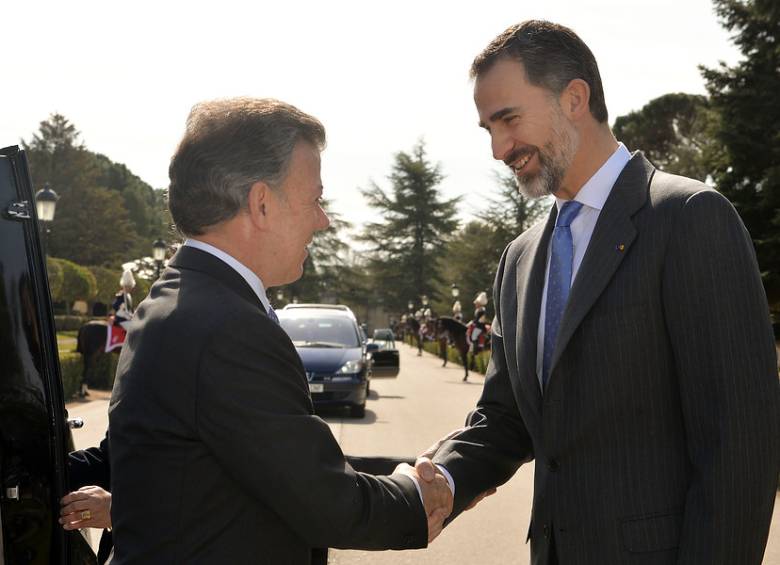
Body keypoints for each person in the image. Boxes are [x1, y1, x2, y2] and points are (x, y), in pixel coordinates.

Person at [415, 20, 779, 565]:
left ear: (575, 98)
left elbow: (739, 446)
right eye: (487, 129)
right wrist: (440, 475)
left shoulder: (690, 219)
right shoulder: (519, 259)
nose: (498, 148)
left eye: (508, 119)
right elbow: (506, 417)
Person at [108, 98, 452, 564]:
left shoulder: (183, 299)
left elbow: (269, 464)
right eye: (314, 199)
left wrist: (410, 471)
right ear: (262, 203)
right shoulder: (227, 327)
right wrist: (419, 495)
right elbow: (324, 501)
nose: (323, 220)